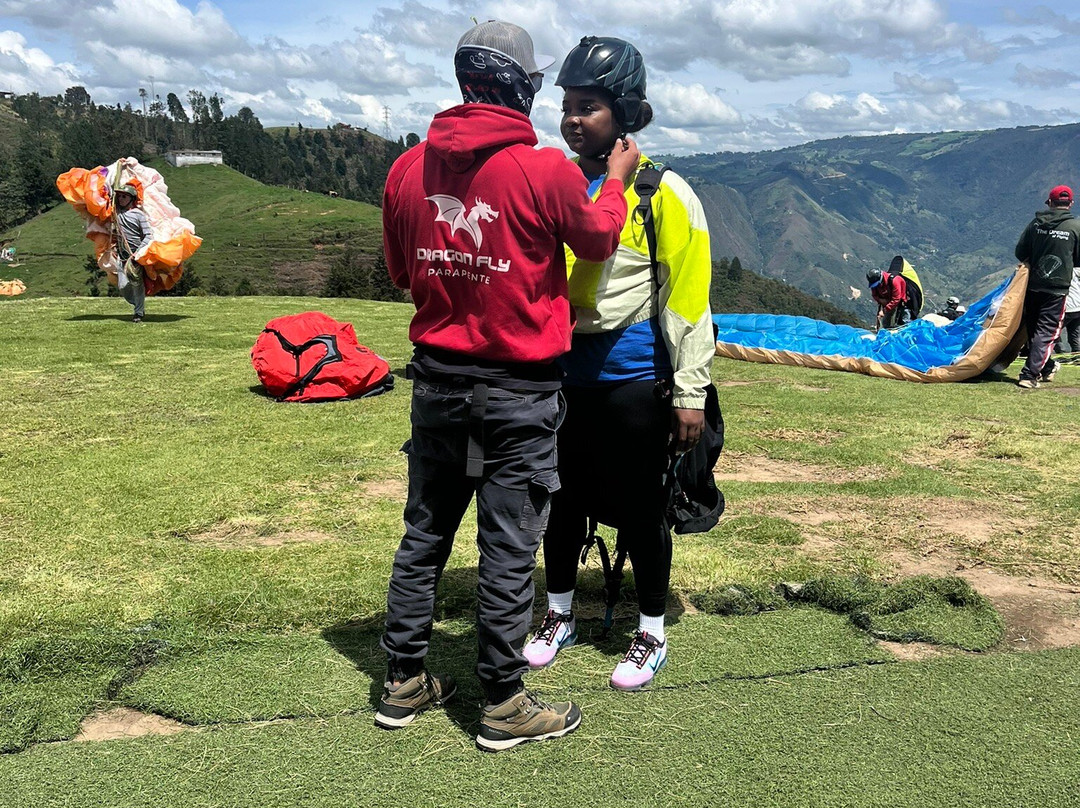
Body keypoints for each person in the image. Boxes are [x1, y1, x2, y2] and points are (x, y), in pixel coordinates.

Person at [377, 20, 641, 751]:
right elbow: (595, 238)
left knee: (425, 532)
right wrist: (616, 182)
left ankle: (402, 681)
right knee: (506, 542)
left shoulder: (407, 170)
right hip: (519, 391)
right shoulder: (546, 168)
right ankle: (502, 702)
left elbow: (403, 273)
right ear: (523, 88)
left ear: (465, 80)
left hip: (435, 384)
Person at [523, 36, 714, 691]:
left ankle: (650, 632)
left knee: (641, 507)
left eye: (591, 106)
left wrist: (691, 391)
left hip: (635, 381)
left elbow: (690, 298)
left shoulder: (664, 193)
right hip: (561, 376)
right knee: (562, 500)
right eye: (568, 105)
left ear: (625, 112)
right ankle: (557, 615)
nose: (573, 118)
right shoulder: (557, 182)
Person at [1014, 184, 1080, 388]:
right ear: (1070, 203)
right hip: (1057, 289)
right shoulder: (1075, 228)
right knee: (1047, 332)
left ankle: (1048, 367)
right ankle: (1029, 375)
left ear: (1050, 202)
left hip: (1033, 285)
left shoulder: (1036, 224)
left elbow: (1020, 251)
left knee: (1034, 330)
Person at [112, 184, 152, 323]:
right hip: (122, 255)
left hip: (135, 255)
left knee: (137, 284)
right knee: (122, 286)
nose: (120, 199)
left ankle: (138, 313)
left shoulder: (139, 215)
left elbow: (148, 235)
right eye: (119, 196)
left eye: (124, 196)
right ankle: (137, 304)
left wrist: (138, 253)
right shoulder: (115, 213)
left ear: (131, 199)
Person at [1058, 268, 1080, 353]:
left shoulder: (1061, 270)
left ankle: (1061, 353)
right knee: (1075, 335)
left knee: (1053, 333)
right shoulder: (1076, 271)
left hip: (1066, 307)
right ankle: (1077, 357)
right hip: (1078, 307)